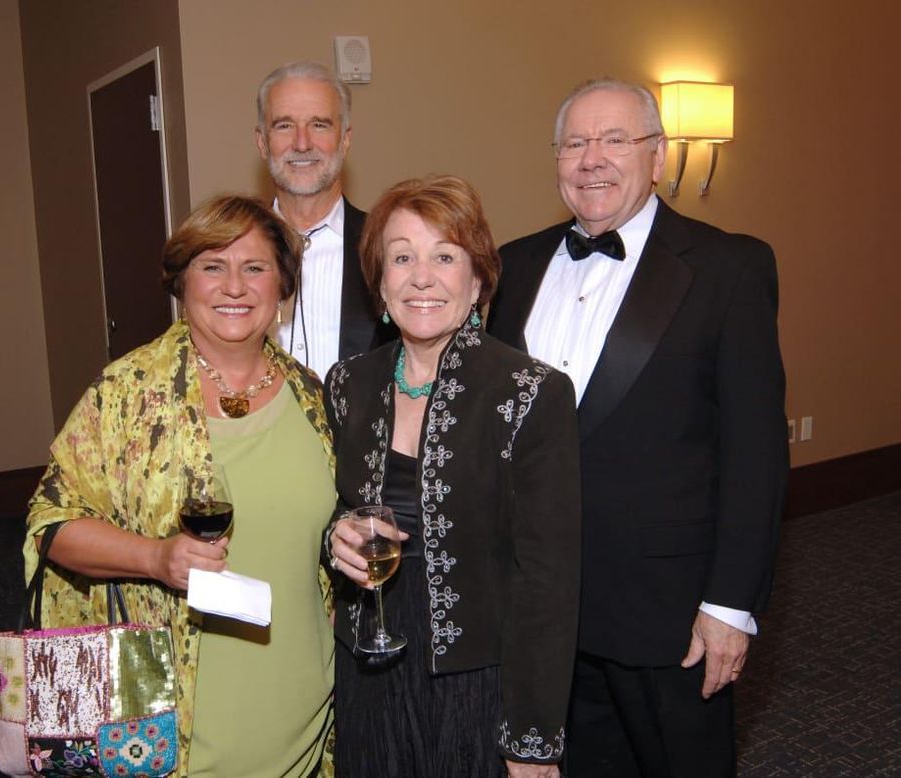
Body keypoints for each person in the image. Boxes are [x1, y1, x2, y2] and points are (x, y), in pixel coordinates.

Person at [487, 78, 789, 776]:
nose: (592, 158)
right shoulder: (512, 266)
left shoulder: (727, 268)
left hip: (668, 617)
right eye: (575, 142)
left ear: (656, 156)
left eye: (615, 139)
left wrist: (730, 606)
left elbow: (757, 457)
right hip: (541, 614)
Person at [25, 195, 337, 777]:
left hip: (306, 704)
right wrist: (156, 557)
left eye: (255, 267)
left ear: (283, 285)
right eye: (212, 266)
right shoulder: (125, 394)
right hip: (176, 716)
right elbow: (51, 525)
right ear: (182, 283)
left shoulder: (313, 397)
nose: (234, 286)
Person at [325, 175, 581, 777]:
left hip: (478, 678)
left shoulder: (530, 393)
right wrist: (332, 539)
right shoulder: (347, 385)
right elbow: (331, 514)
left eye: (445, 256)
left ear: (478, 278)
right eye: (402, 256)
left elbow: (549, 582)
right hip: (369, 663)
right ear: (380, 281)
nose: (422, 276)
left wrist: (533, 738)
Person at [255, 60, 394, 378]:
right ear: (262, 142)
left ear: (345, 140)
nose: (302, 143)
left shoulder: (387, 248)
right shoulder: (229, 253)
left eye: (319, 125)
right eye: (284, 125)